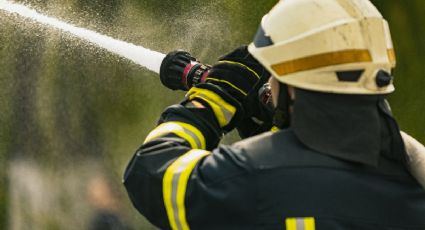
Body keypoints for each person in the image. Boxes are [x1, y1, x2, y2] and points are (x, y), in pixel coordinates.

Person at [123, 0, 425, 229]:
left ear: (296, 84)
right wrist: (272, 130)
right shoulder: (407, 176)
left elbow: (150, 174)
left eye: (275, 72)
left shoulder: (257, 173)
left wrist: (211, 102)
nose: (269, 83)